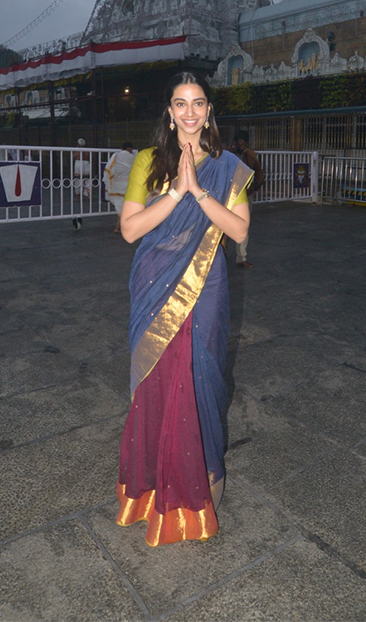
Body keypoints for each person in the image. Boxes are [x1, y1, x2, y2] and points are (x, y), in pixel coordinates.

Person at [116, 70, 253, 547]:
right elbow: (131, 230)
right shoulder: (148, 161)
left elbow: (237, 232)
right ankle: (154, 485)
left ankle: (202, 479)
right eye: (181, 103)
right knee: (158, 381)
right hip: (153, 281)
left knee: (203, 379)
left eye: (198, 103)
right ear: (170, 112)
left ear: (209, 111)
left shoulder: (228, 164)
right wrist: (175, 189)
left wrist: (198, 191)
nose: (190, 111)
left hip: (206, 285)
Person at [229, 130, 265, 268]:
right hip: (227, 194)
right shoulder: (227, 153)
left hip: (245, 194)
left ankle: (241, 257)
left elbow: (258, 170)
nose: (242, 146)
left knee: (244, 226)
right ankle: (220, 252)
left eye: (244, 144)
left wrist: (257, 184)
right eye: (240, 144)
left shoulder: (250, 154)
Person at [103, 141, 136, 233]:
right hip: (128, 185)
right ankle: (120, 227)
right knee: (127, 206)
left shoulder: (116, 156)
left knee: (120, 205)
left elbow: (108, 169)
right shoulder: (133, 157)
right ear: (130, 148)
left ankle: (119, 226)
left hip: (116, 185)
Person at [72, 138, 90, 230]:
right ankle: (81, 195)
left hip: (83, 164)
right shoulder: (79, 150)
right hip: (80, 164)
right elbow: (74, 156)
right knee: (79, 180)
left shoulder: (85, 151)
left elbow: (85, 156)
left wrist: (79, 151)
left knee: (84, 180)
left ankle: (86, 195)